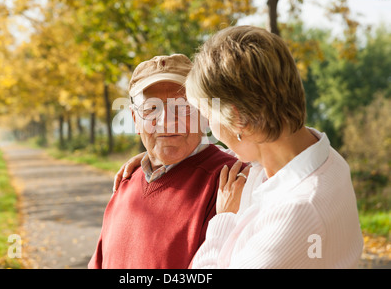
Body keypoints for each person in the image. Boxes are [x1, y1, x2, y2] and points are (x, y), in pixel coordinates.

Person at [115, 26, 364, 268]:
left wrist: (224, 219)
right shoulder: (317, 155)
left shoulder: (297, 211)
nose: (209, 127)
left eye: (205, 113)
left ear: (238, 120)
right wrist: (159, 153)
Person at [88, 54, 243, 269]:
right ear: (135, 119)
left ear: (205, 114)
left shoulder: (232, 182)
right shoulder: (126, 181)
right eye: (151, 109)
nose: (166, 121)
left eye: (182, 106)